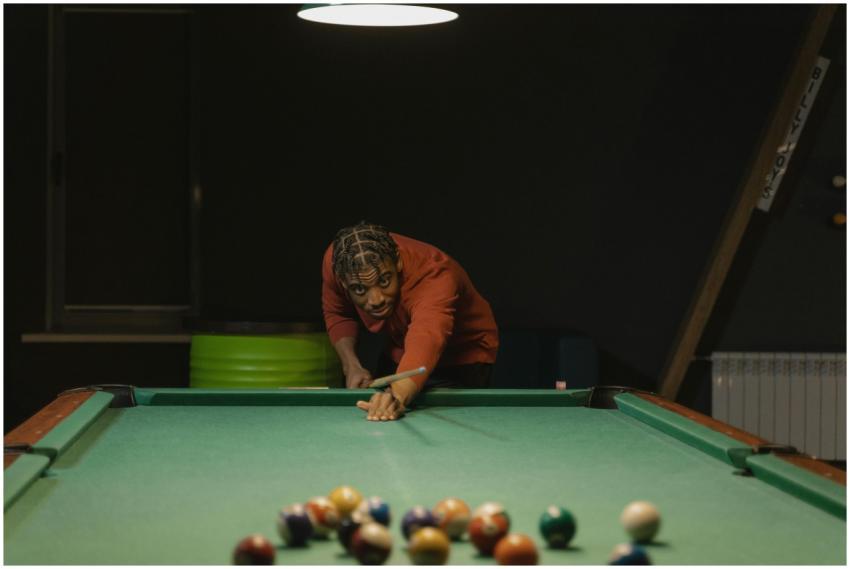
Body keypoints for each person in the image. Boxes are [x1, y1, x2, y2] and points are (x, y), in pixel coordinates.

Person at [322, 222, 498, 421]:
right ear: (343, 281)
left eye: (384, 280)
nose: (376, 299)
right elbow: (339, 313)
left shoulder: (434, 274)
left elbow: (427, 336)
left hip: (462, 356)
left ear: (397, 262)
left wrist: (396, 395)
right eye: (360, 289)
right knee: (383, 413)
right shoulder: (340, 261)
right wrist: (351, 366)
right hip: (402, 347)